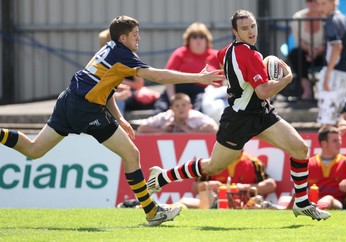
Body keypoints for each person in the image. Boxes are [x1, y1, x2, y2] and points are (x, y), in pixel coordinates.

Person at [0, 15, 225, 226]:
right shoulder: (122, 54)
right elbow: (158, 76)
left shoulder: (110, 49)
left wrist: (120, 119)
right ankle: (152, 212)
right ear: (123, 37)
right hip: (86, 108)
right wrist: (198, 77)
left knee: (34, 150)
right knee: (131, 155)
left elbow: (107, 90)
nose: (139, 38)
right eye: (135, 33)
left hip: (68, 100)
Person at [147, 9, 331, 220]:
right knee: (213, 166)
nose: (251, 31)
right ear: (235, 31)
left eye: (252, 26)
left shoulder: (226, 51)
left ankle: (302, 202)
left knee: (300, 149)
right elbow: (263, 91)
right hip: (239, 119)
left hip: (260, 113)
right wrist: (286, 79)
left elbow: (224, 60)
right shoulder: (251, 54)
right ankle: (162, 177)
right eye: (244, 28)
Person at [153, 22, 220, 114]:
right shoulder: (180, 53)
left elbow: (224, 80)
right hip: (178, 90)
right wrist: (173, 100)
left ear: (207, 39)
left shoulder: (217, 55)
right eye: (194, 36)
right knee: (160, 108)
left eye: (201, 36)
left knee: (199, 110)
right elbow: (167, 76)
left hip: (202, 93)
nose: (198, 39)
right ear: (188, 40)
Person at [315, 0, 346, 127]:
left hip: (333, 74)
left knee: (326, 119)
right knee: (339, 115)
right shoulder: (344, 19)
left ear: (333, 3)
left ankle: (327, 146)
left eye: (323, 3)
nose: (320, 7)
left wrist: (328, 74)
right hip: (345, 74)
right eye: (318, 3)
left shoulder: (331, 21)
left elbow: (337, 46)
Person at [178, 151, 277, 209]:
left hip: (246, 205)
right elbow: (195, 187)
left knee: (261, 202)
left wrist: (245, 187)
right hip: (215, 204)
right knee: (184, 201)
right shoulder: (212, 163)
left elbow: (271, 185)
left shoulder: (254, 163)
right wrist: (207, 184)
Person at [99, 28, 160, 115]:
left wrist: (119, 81)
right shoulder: (103, 59)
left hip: (130, 93)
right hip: (112, 91)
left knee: (120, 97)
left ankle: (118, 123)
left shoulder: (129, 57)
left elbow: (139, 84)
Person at [308, 126, 346, 210]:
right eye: (335, 141)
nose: (339, 143)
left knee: (328, 198)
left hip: (337, 203)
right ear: (324, 144)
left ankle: (315, 211)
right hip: (311, 202)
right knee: (288, 199)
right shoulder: (308, 164)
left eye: (340, 140)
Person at [288, 0, 325, 101]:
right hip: (306, 53)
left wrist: (317, 51)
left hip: (323, 52)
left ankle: (326, 90)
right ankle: (307, 89)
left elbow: (331, 41)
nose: (313, 3)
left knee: (331, 54)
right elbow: (298, 42)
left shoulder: (326, 17)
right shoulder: (298, 17)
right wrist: (310, 50)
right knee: (295, 54)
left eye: (316, 1)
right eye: (310, 1)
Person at [137, 93, 218, 133]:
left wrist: (189, 131)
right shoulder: (165, 116)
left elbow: (214, 128)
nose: (180, 108)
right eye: (177, 106)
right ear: (171, 108)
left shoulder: (196, 116)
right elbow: (142, 128)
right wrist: (163, 131)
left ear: (190, 107)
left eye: (183, 105)